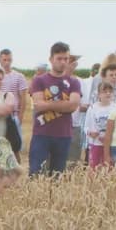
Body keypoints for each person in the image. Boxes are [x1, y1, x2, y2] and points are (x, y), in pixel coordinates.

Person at [28, 42, 81, 176]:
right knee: (36, 173)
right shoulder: (39, 81)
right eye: (59, 58)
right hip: (42, 134)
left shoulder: (74, 82)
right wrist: (64, 104)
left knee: (57, 175)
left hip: (63, 135)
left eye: (66, 59)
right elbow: (38, 105)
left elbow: (73, 106)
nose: (63, 62)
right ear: (51, 59)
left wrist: (48, 104)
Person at [0, 49, 28, 161]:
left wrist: (20, 117)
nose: (7, 62)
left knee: (14, 147)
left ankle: (18, 173)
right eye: (4, 60)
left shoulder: (19, 76)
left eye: (9, 60)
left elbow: (23, 98)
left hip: (13, 115)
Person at [83, 82, 116, 170]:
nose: (108, 93)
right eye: (105, 91)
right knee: (94, 169)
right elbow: (86, 127)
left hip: (111, 144)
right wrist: (90, 133)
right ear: (99, 94)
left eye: (110, 91)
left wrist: (110, 137)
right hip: (96, 143)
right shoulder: (93, 108)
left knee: (109, 169)